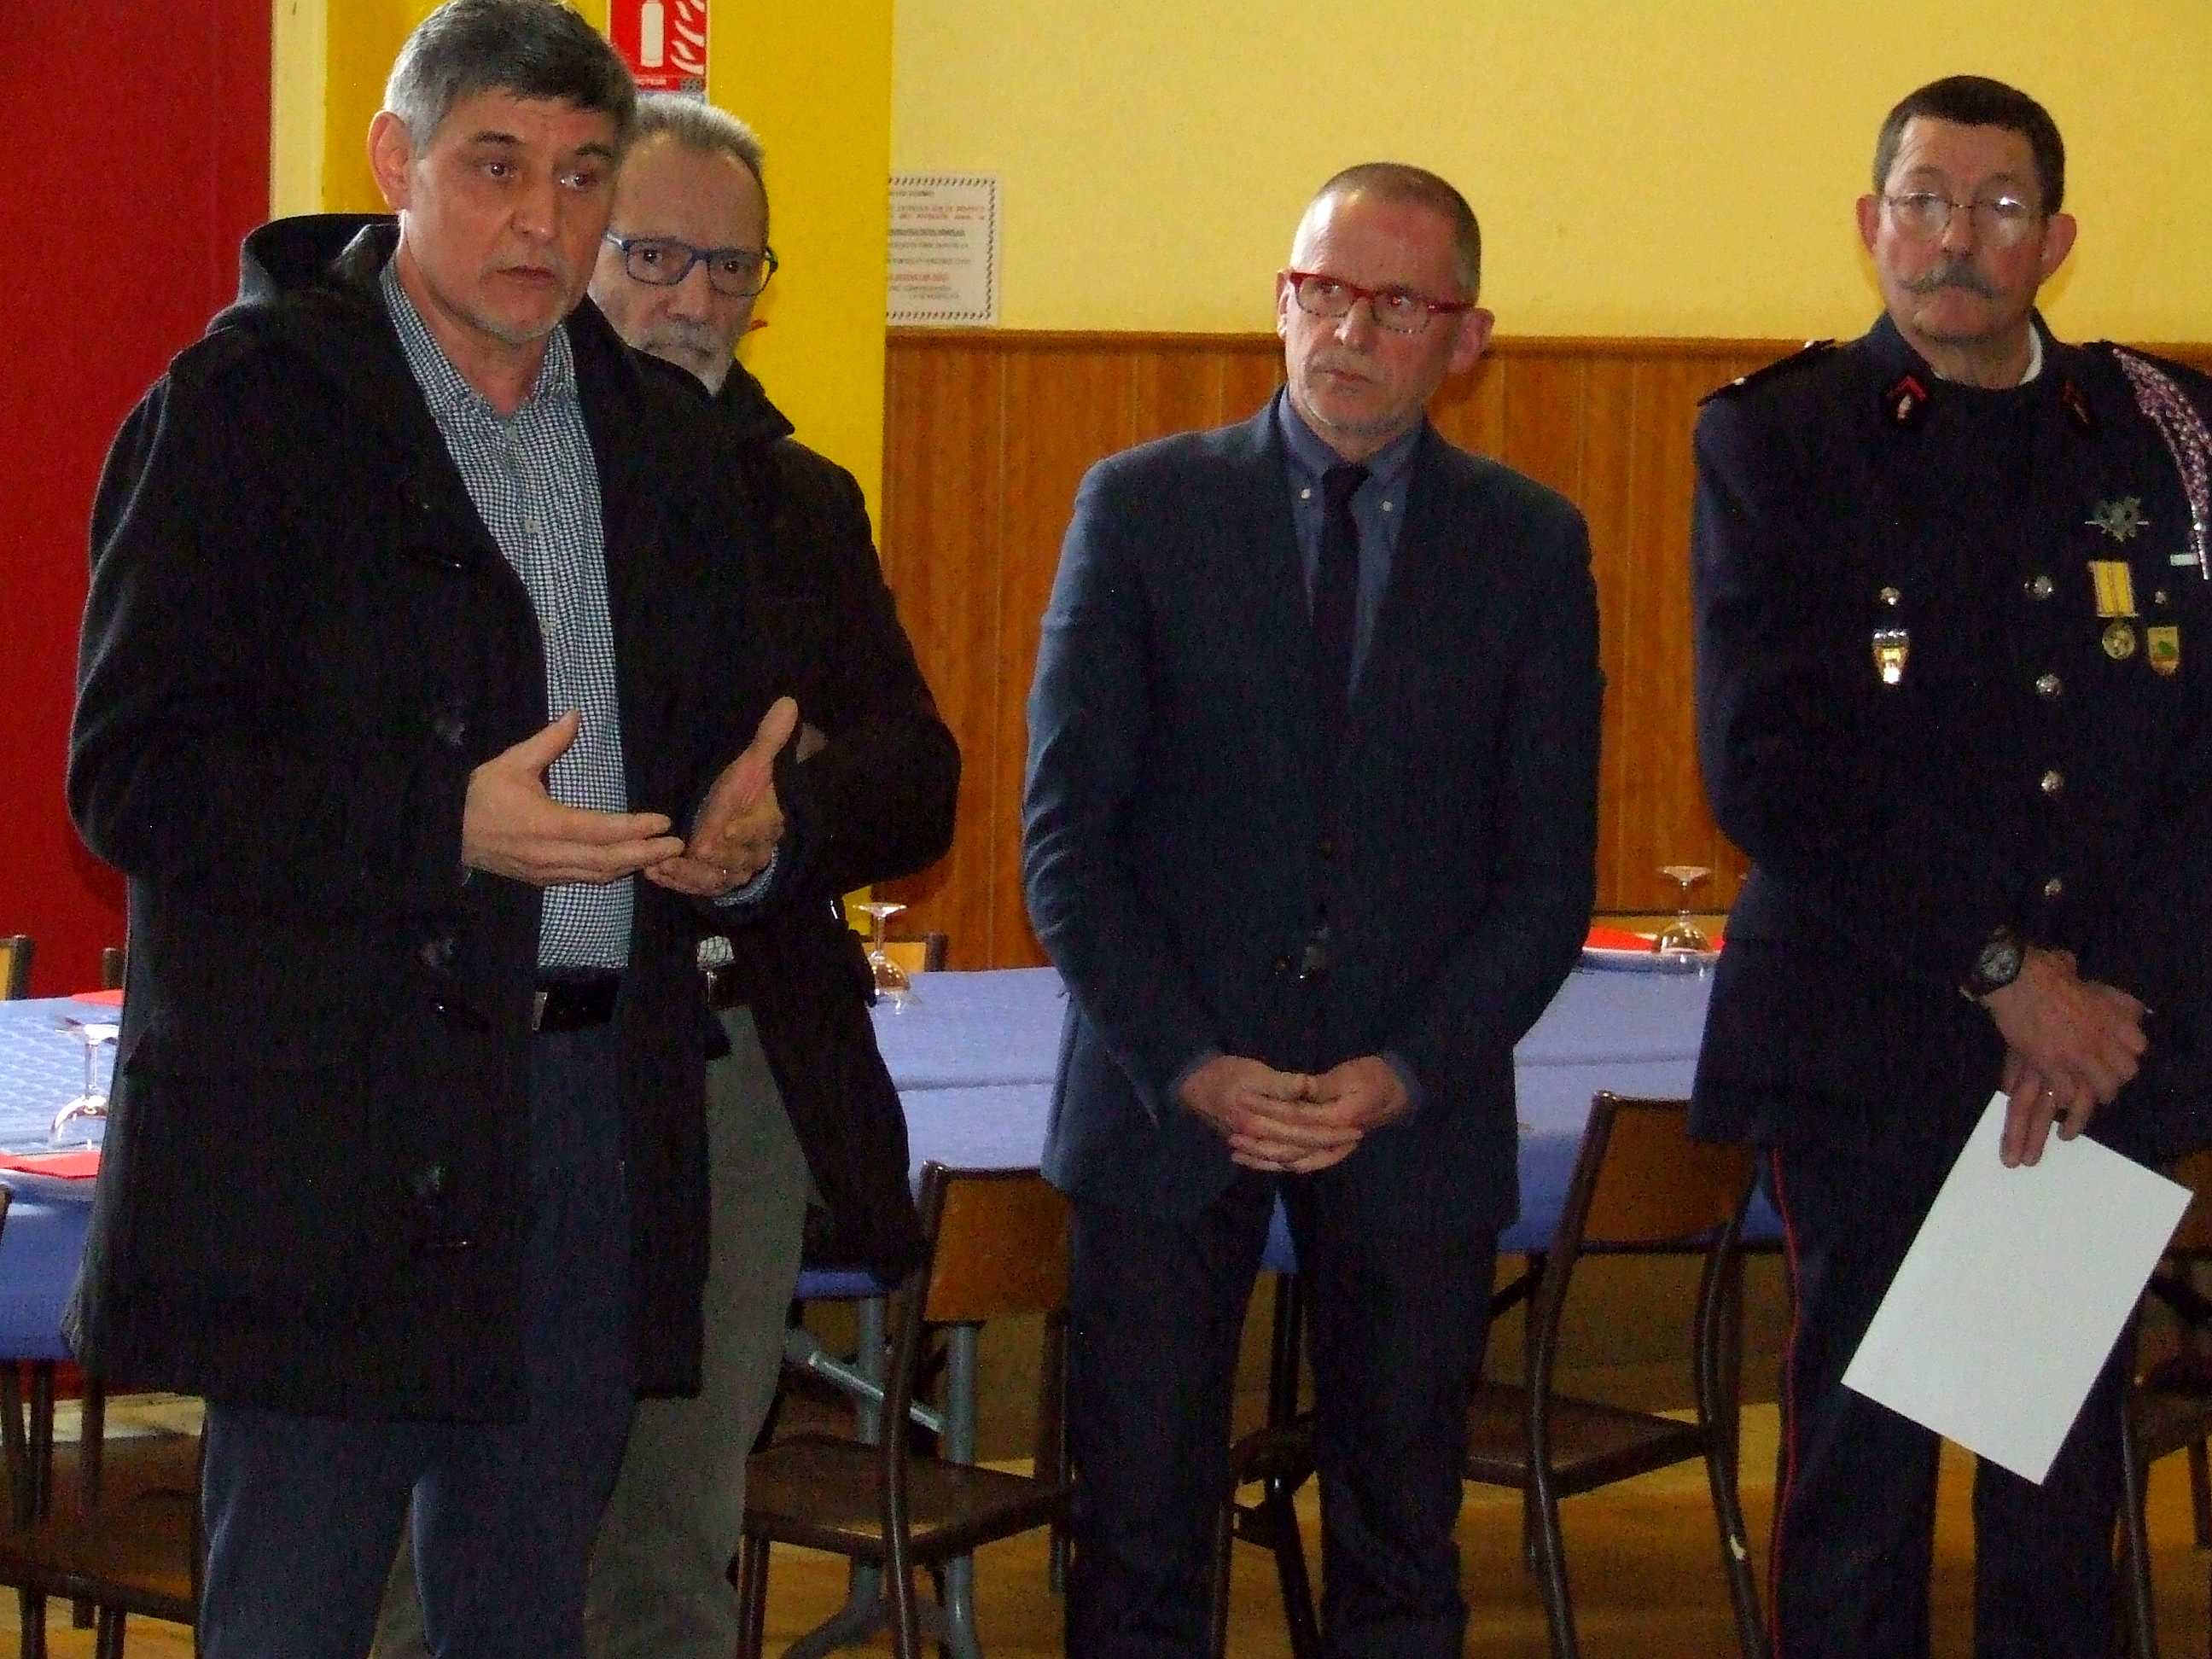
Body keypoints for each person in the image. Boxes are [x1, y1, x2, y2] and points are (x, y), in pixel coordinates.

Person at [65, 3, 808, 1654]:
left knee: (527, 1613)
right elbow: (132, 776)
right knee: (298, 1613)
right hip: (334, 1123)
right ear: (396, 164)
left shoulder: (664, 443)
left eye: (583, 174)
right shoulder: (245, 412)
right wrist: (439, 825)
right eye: (496, 167)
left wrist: (740, 840)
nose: (543, 218)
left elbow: (715, 755)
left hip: (590, 1111)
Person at [372, 92, 957, 1659]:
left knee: (670, 1538)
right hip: (479, 1055)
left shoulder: (797, 497)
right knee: (438, 1544)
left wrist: (784, 829)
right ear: (573, 245)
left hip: (723, 1056)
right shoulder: (440, 460)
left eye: (733, 268)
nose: (696, 301)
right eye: (655, 257)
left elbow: (920, 771)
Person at [1022, 162, 1602, 1656]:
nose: (1348, 330)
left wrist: (1403, 1071)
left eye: (1396, 304)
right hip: (1164, 1105)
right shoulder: (1143, 508)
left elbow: (1547, 879)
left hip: (1412, 1113)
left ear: (1467, 338)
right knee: (1138, 1546)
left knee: (1402, 1547)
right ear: (1280, 303)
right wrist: (1193, 1064)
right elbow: (1067, 845)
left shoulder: (1531, 544)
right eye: (1322, 291)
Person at [1691, 73, 2212, 1659]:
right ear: (1871, 224)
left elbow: (2192, 756)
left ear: (2056, 238)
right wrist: (2004, 979)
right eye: (1923, 201)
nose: (1955, 239)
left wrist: (2091, 1011)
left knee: (2053, 1483)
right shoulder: (1781, 436)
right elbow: (1770, 768)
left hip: (2097, 1050)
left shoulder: (2164, 427)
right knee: (1860, 1486)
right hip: (1876, 1041)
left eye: (1997, 207)